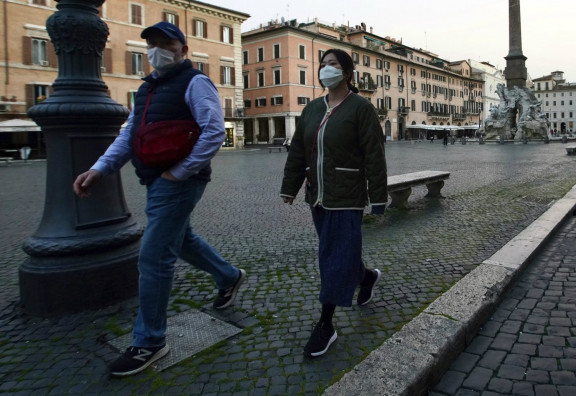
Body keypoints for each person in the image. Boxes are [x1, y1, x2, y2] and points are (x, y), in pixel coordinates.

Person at [72, 22, 246, 377]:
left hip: (178, 181)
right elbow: (129, 135)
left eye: (165, 43)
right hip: (156, 178)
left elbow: (214, 131)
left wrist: (180, 172)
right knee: (180, 240)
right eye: (151, 44)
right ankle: (228, 276)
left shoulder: (196, 82)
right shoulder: (147, 88)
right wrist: (100, 168)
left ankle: (150, 340)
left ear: (183, 48)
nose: (156, 50)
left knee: (153, 257)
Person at [280, 48, 387, 358]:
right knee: (340, 252)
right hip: (318, 197)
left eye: (333, 65)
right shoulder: (311, 110)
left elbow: (374, 156)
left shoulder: (361, 108)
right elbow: (298, 151)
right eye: (323, 64)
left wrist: (378, 198)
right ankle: (367, 278)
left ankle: (326, 324)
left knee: (332, 257)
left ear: (347, 73)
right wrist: (291, 186)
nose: (326, 69)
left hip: (347, 197)